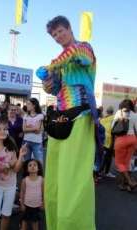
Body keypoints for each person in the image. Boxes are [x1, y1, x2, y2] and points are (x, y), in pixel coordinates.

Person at [42, 16, 97, 229]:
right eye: (54, 35)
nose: (57, 37)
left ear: (69, 28)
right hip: (61, 119)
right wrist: (49, 85)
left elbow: (75, 54)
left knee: (74, 175)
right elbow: (57, 89)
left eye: (60, 31)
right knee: (56, 176)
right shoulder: (61, 61)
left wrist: (51, 65)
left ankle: (74, 224)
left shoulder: (84, 48)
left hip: (81, 117)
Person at [0, 122, 27, 230]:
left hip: (11, 186)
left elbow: (16, 169)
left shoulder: (11, 149)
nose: (3, 131)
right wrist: (1, 168)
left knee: (6, 215)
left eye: (4, 129)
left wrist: (21, 156)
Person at [112, 99, 137, 191]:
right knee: (126, 163)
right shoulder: (135, 114)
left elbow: (113, 127)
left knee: (119, 163)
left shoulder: (119, 112)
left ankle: (130, 181)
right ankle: (123, 184)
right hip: (133, 139)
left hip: (121, 140)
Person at [20, 159, 44, 230]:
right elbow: (22, 192)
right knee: (24, 223)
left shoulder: (41, 179)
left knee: (35, 223)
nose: (32, 166)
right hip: (27, 205)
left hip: (36, 205)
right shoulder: (25, 180)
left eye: (34, 165)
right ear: (27, 169)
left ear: (38, 168)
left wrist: (43, 203)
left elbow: (43, 192)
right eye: (30, 165)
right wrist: (22, 204)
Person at [23, 98, 44, 164]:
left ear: (34, 105)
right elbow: (24, 129)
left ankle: (40, 174)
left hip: (37, 143)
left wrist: (28, 127)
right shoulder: (25, 115)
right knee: (26, 162)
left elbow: (38, 130)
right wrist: (33, 128)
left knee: (39, 162)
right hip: (26, 141)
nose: (27, 105)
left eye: (29, 104)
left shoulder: (40, 115)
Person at [100, 106, 115, 177]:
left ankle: (99, 172)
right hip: (110, 141)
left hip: (102, 140)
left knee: (102, 156)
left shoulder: (102, 119)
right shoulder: (114, 118)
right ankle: (106, 172)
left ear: (107, 111)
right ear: (112, 112)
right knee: (108, 157)